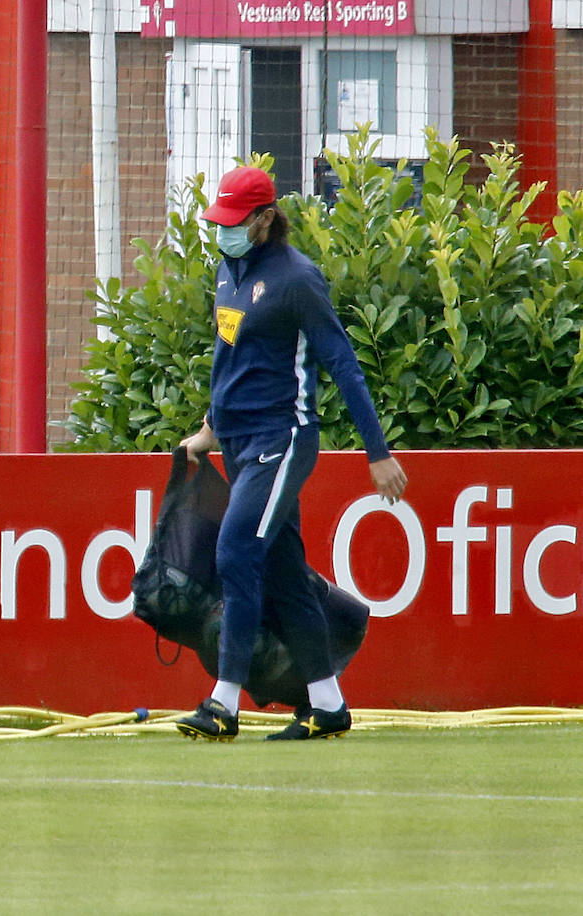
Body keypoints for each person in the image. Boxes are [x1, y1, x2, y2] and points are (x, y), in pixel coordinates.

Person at [174, 167, 407, 742]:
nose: (222, 233)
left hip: (283, 441)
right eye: (218, 222)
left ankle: (223, 705)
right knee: (282, 574)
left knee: (235, 553)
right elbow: (231, 368)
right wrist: (208, 432)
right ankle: (328, 707)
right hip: (240, 444)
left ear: (263, 220)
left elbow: (344, 367)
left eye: (233, 223)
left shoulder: (298, 279)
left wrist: (377, 453)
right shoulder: (229, 273)